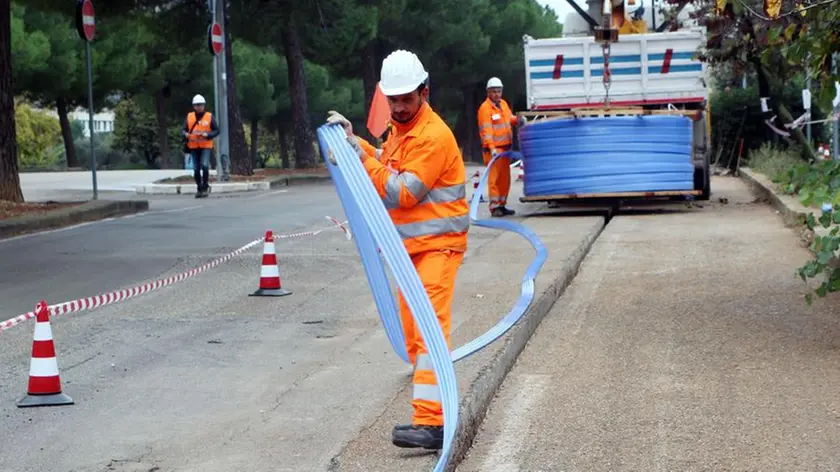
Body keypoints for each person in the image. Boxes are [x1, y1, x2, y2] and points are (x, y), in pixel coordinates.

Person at [326, 49, 468, 450]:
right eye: (394, 100)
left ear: (424, 92)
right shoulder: (400, 130)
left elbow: (403, 191)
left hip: (438, 247)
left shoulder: (433, 136)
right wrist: (356, 143)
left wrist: (360, 158)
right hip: (411, 250)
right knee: (412, 332)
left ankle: (433, 423)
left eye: (407, 98)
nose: (400, 107)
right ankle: (430, 388)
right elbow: (387, 163)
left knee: (428, 331)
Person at [477, 77, 525, 217]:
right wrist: (491, 148)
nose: (497, 94)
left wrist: (518, 120)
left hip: (505, 149)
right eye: (494, 92)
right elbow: (486, 131)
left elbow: (509, 119)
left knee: (505, 179)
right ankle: (495, 207)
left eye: (499, 91)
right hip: (494, 151)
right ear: (488, 92)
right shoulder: (485, 109)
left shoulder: (503, 104)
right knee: (495, 180)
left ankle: (502, 205)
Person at [182, 94, 220, 198]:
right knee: (196, 169)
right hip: (193, 146)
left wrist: (208, 135)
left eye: (201, 105)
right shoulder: (189, 117)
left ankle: (205, 185)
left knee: (204, 165)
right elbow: (183, 129)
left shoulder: (209, 116)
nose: (199, 107)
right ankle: (199, 188)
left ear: (204, 105)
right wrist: (185, 134)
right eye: (197, 105)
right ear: (194, 106)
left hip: (206, 145)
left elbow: (217, 130)